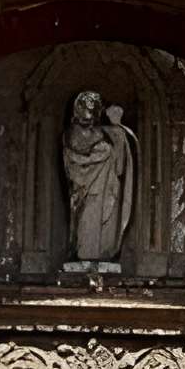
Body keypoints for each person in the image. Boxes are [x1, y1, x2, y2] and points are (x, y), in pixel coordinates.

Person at [61, 88, 136, 263]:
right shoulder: (72, 133)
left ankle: (101, 255)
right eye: (86, 109)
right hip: (85, 190)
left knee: (105, 220)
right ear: (77, 111)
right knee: (87, 219)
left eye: (94, 110)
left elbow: (119, 160)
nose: (90, 115)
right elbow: (74, 160)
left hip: (105, 187)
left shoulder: (105, 132)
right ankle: (86, 256)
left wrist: (116, 124)